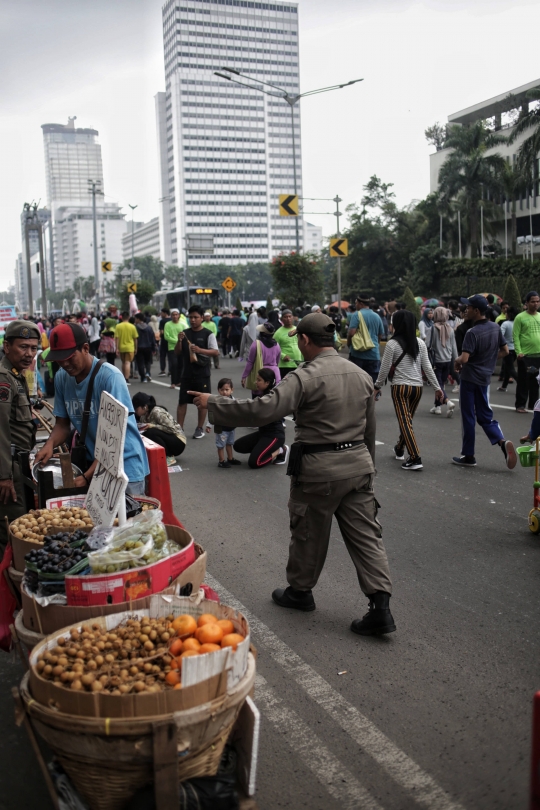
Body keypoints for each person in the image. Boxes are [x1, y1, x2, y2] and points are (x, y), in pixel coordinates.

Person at [188, 312, 396, 637]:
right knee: (367, 536)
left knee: (308, 531)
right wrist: (368, 467)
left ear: (303, 341)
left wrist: (215, 402)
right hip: (357, 468)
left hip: (318, 470)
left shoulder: (304, 376)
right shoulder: (360, 374)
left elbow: (263, 410)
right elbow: (370, 429)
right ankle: (380, 605)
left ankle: (300, 592)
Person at [35, 322, 149, 495]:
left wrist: (88, 476)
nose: (64, 364)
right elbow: (62, 425)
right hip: (94, 464)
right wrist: (49, 444)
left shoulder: (110, 377)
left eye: (70, 357)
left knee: (128, 521)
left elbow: (114, 439)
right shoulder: (61, 378)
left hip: (124, 467)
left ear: (86, 348)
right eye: (59, 358)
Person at [452, 295, 516, 469]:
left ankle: (469, 455)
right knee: (485, 417)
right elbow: (505, 351)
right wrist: (487, 359)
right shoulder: (495, 328)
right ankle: (502, 442)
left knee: (468, 416)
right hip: (485, 379)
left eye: (468, 308)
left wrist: (457, 361)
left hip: (469, 378)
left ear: (477, 311)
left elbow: (464, 358)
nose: (466, 310)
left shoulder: (472, 333)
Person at [374, 310, 443, 471]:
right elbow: (427, 367)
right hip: (417, 388)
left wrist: (377, 386)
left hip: (400, 387)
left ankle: (415, 457)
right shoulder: (419, 343)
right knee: (407, 422)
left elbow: (384, 369)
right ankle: (399, 448)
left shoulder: (392, 344)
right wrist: (437, 388)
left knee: (405, 422)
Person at [0, 321, 40, 550]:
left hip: (18, 463)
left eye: (33, 348)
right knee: (12, 533)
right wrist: (4, 476)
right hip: (9, 470)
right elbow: (1, 430)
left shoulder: (16, 375)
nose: (29, 354)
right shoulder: (4, 378)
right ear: (7, 347)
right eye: (23, 347)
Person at [175, 305, 219, 439]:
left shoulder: (208, 334)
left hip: (202, 374)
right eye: (191, 317)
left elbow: (215, 352)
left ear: (201, 318)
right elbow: (177, 352)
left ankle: (199, 428)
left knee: (202, 402)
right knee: (182, 401)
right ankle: (179, 428)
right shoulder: (185, 333)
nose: (193, 320)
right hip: (187, 373)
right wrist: (179, 340)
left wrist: (200, 350)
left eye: (196, 317)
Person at [233, 369, 288, 468]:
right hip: (263, 433)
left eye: (259, 380)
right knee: (237, 446)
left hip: (274, 436)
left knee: (255, 463)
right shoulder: (263, 395)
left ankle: (281, 450)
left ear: (267, 383)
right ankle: (262, 449)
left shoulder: (270, 398)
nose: (256, 382)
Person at [132, 392, 186, 466]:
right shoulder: (143, 416)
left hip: (178, 441)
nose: (135, 411)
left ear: (144, 406)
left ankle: (168, 456)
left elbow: (171, 429)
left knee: (151, 432)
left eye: (136, 409)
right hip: (168, 438)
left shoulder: (157, 411)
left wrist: (152, 426)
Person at [425, 307, 457, 418]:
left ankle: (448, 402)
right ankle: (437, 406)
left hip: (436, 361)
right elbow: (454, 347)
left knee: (437, 385)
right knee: (441, 383)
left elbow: (426, 345)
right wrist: (456, 361)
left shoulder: (432, 329)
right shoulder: (451, 329)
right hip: (448, 360)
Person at [205, 377, 242, 469]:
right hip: (221, 429)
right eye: (222, 390)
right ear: (218, 390)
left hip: (231, 428)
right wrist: (209, 425)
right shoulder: (217, 402)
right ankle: (221, 461)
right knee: (220, 445)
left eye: (227, 390)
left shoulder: (234, 401)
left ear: (232, 390)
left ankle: (230, 458)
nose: (224, 392)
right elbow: (212, 414)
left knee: (229, 444)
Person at [347, 294, 385, 382]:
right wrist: (375, 345)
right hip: (373, 355)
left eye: (356, 303)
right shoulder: (376, 316)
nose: (355, 305)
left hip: (358, 354)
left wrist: (349, 344)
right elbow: (380, 335)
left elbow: (351, 333)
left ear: (361, 303)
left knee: (357, 383)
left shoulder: (357, 315)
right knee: (372, 383)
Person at [513, 291, 540, 413]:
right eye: (533, 301)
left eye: (537, 301)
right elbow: (516, 336)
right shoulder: (520, 317)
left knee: (536, 381)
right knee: (524, 380)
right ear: (527, 303)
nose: (535, 304)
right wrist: (519, 352)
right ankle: (520, 405)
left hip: (538, 355)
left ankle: (533, 405)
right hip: (526, 355)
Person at [241, 323, 281, 390]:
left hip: (261, 373)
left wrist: (244, 376)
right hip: (275, 374)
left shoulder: (256, 344)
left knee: (258, 397)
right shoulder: (277, 345)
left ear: (262, 333)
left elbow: (250, 362)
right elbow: (277, 362)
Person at [274, 310, 303, 378]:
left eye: (290, 316)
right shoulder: (278, 333)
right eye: (285, 317)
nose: (288, 319)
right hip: (285, 365)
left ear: (293, 317)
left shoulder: (297, 330)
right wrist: (283, 356)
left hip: (298, 363)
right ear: (282, 319)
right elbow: (274, 348)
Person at [114, 311, 138, 386]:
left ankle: (123, 377)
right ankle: (126, 379)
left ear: (121, 317)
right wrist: (135, 348)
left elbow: (116, 338)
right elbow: (135, 339)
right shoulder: (132, 326)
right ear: (129, 317)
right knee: (128, 362)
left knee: (123, 362)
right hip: (130, 347)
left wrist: (117, 348)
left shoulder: (118, 326)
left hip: (121, 347)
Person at [498, 307, 517, 392]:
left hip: (507, 349)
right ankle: (504, 386)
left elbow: (500, 336)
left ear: (509, 314)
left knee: (510, 369)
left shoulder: (505, 324)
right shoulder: (518, 323)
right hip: (516, 349)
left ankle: (523, 384)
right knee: (507, 367)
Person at [164, 309, 185, 389]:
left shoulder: (182, 325)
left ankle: (179, 381)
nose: (175, 316)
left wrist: (181, 341)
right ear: (171, 316)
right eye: (173, 315)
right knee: (174, 365)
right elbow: (166, 336)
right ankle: (173, 382)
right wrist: (177, 341)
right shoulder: (167, 324)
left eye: (176, 314)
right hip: (172, 348)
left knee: (181, 364)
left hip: (181, 347)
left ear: (179, 315)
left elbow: (185, 336)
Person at [134, 313, 157, 383]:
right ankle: (147, 372)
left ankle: (143, 377)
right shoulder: (149, 328)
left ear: (138, 319)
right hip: (148, 347)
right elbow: (152, 338)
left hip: (139, 347)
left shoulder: (135, 327)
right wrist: (154, 348)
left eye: (135, 318)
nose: (135, 320)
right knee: (148, 362)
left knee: (140, 363)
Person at [158, 308, 170, 377]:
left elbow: (161, 331)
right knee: (170, 356)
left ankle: (163, 370)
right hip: (171, 341)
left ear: (165, 313)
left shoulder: (162, 321)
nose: (161, 314)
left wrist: (160, 335)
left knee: (163, 356)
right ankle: (171, 370)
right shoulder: (171, 320)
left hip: (164, 340)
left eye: (162, 313)